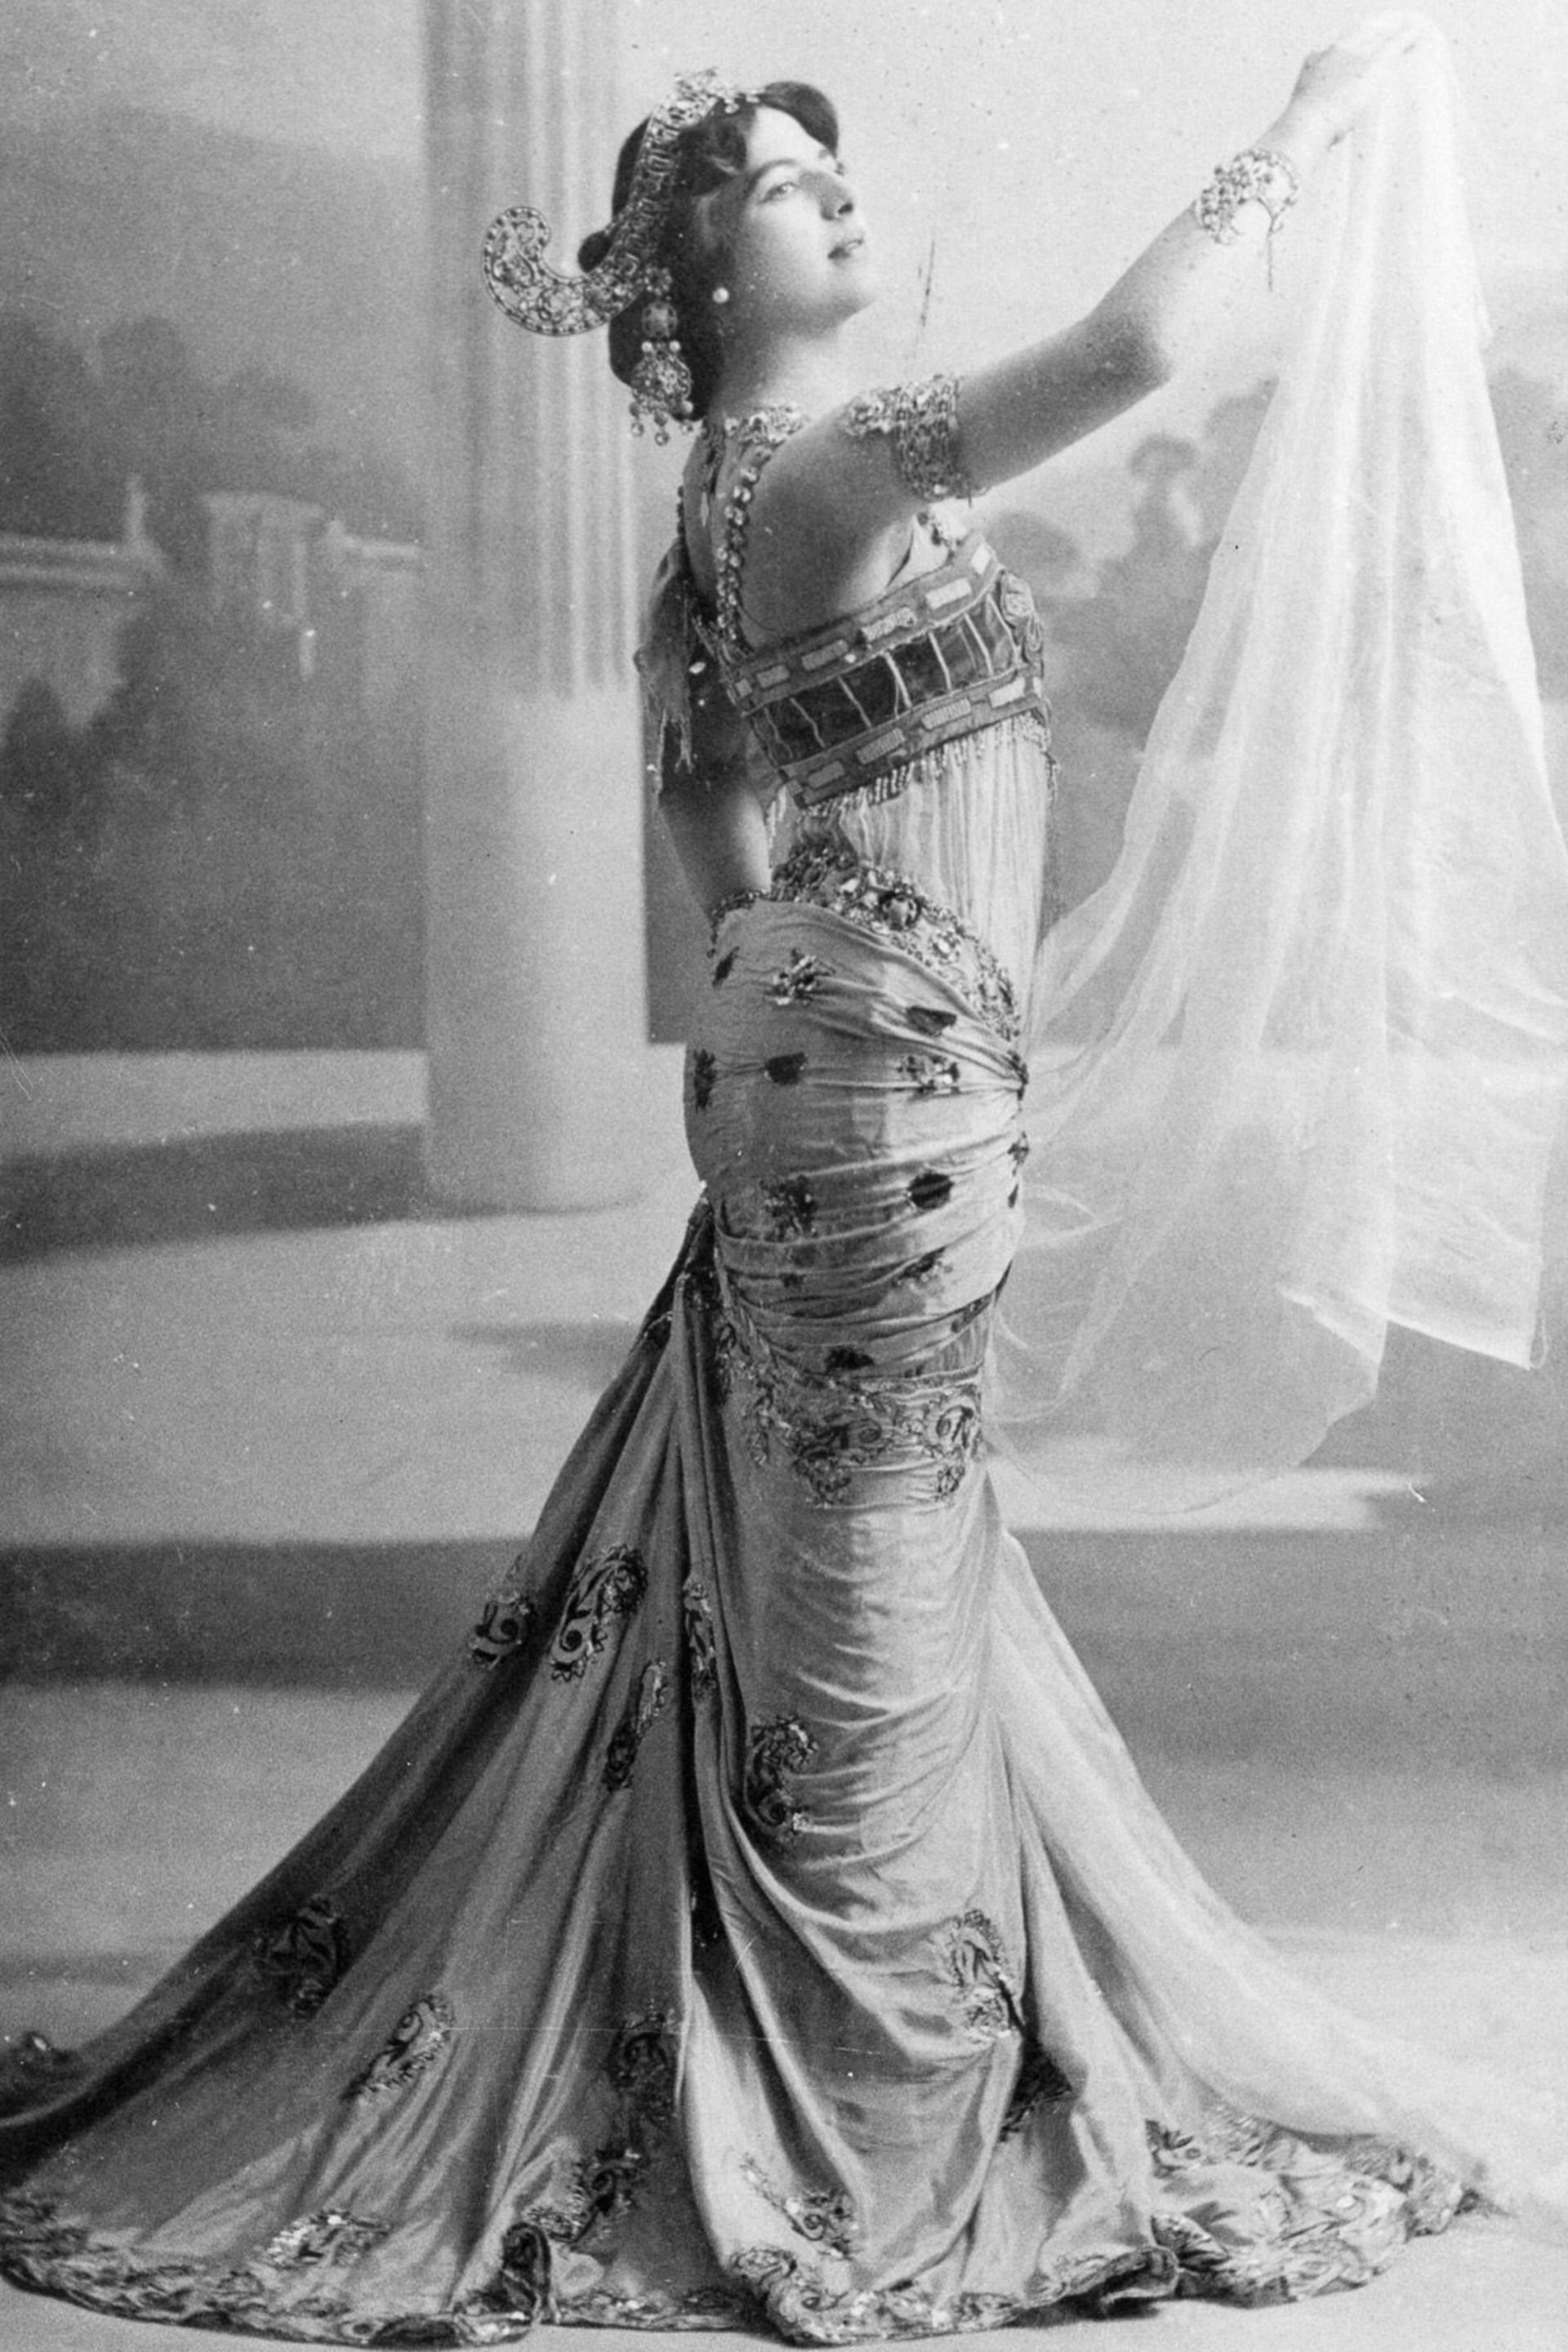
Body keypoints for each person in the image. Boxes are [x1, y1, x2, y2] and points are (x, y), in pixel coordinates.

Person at [2, 27, 1565, 2345]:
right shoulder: (830, 461)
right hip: (882, 1090)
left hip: (843, 1072)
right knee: (874, 1582)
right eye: (771, 180)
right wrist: (1306, 132)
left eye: (831, 165)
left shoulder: (710, 517)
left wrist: (789, 996)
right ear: (704, 277)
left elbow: (698, 801)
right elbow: (1140, 350)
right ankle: (866, 2102)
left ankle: (850, 2028)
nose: (831, 190)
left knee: (854, 1555)